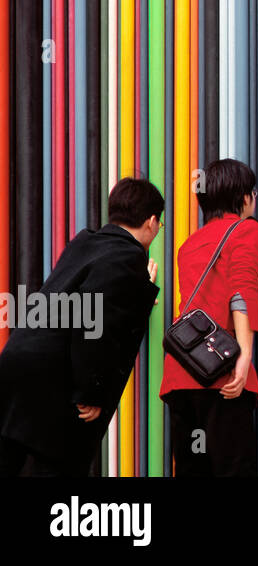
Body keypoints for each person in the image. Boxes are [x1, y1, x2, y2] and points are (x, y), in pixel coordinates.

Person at [0, 178, 162, 476]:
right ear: (152, 221)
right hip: (55, 378)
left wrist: (138, 294)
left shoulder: (85, 242)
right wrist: (92, 391)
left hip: (17, 362)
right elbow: (95, 323)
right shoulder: (128, 256)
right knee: (58, 464)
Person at [160, 159, 258, 477]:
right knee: (233, 469)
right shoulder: (249, 230)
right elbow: (241, 294)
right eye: (253, 192)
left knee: (193, 469)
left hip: (181, 375)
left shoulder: (189, 245)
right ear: (244, 197)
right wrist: (244, 357)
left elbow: (208, 296)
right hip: (221, 375)